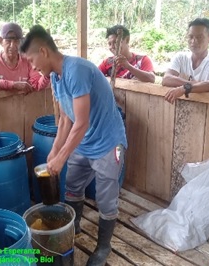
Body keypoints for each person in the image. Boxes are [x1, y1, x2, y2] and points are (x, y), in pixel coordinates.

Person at [21, 25, 127, 266]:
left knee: (106, 196)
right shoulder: (55, 77)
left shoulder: (76, 69)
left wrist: (61, 159)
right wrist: (54, 151)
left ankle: (103, 247)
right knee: (72, 186)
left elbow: (81, 122)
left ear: (43, 50)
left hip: (109, 143)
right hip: (85, 141)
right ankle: (74, 226)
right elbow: (65, 120)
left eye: (31, 59)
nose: (32, 66)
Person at [163, 18, 209, 104]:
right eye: (191, 37)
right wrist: (195, 84)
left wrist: (185, 88)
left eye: (199, 37)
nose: (194, 41)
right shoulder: (180, 57)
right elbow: (167, 79)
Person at [0, 22, 50, 94]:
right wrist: (13, 85)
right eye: (8, 41)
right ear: (1, 41)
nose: (12, 45)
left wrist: (47, 74)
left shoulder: (27, 60)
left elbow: (36, 85)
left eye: (17, 41)